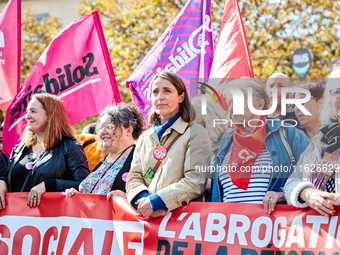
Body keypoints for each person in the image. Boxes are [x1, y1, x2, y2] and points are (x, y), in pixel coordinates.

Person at [211, 78, 310, 215]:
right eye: (230, 103)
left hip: (272, 230)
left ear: (259, 105)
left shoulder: (290, 135)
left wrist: (284, 194)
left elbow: (313, 176)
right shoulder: (223, 143)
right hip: (228, 230)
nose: (231, 109)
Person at [126, 71, 211, 219]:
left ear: (181, 97)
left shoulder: (196, 133)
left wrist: (157, 202)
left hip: (182, 224)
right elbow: (134, 178)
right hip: (147, 222)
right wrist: (144, 203)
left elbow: (195, 181)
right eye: (155, 92)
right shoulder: (145, 137)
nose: (160, 97)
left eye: (167, 91)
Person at [0, 94, 89, 208]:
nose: (27, 116)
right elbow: (12, 184)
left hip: (52, 220)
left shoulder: (70, 146)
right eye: (27, 112)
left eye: (33, 111)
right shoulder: (19, 150)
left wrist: (49, 184)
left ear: (50, 115)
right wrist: (2, 182)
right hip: (18, 221)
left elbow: (84, 185)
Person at [285, 67, 340, 216]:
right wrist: (307, 193)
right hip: (323, 235)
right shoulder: (323, 140)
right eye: (337, 92)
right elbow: (292, 183)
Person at [64, 104, 144, 200]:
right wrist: (76, 194)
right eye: (101, 127)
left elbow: (154, 193)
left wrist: (127, 198)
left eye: (109, 126)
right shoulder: (105, 160)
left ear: (129, 130)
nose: (103, 132)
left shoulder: (140, 158)